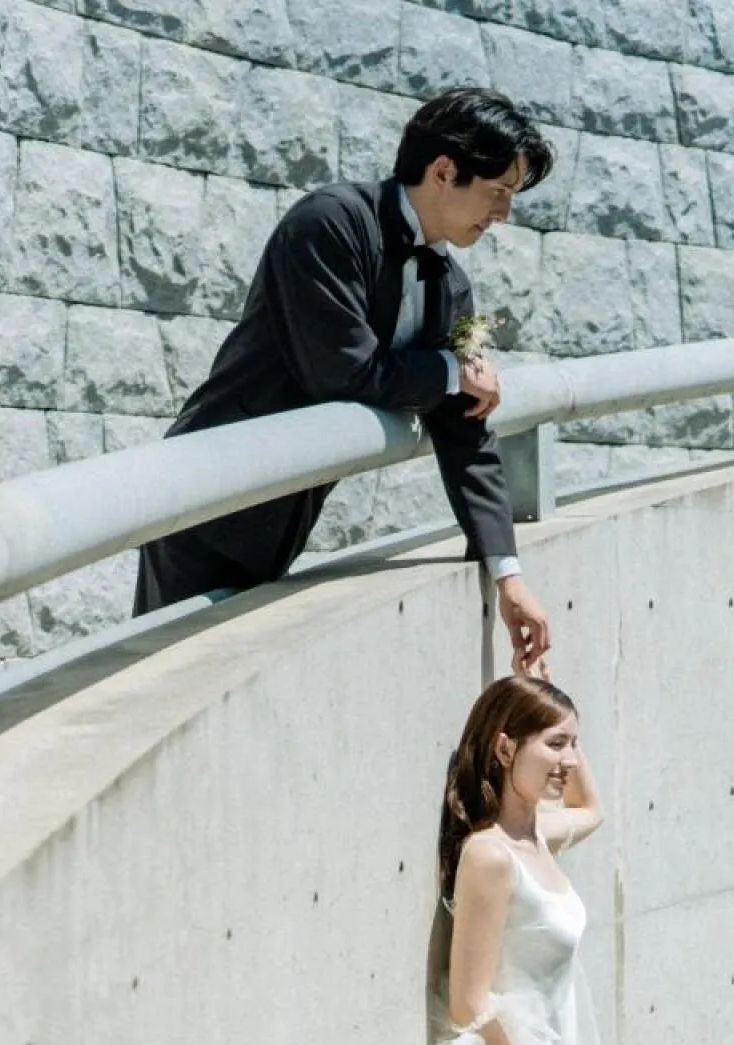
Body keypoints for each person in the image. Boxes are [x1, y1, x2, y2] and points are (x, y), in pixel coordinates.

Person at [134, 88, 554, 674]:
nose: (505, 213)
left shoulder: (450, 285)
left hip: (281, 520)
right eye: (499, 191)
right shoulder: (328, 223)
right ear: (443, 171)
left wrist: (508, 575)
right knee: (157, 682)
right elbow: (341, 369)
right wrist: (451, 370)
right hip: (206, 508)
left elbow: (466, 425)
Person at [423, 675, 640, 1045]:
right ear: (503, 747)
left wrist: (544, 684)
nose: (568, 760)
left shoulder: (538, 837)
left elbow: (592, 810)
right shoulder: (489, 855)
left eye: (575, 744)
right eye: (555, 744)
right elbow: (469, 1005)